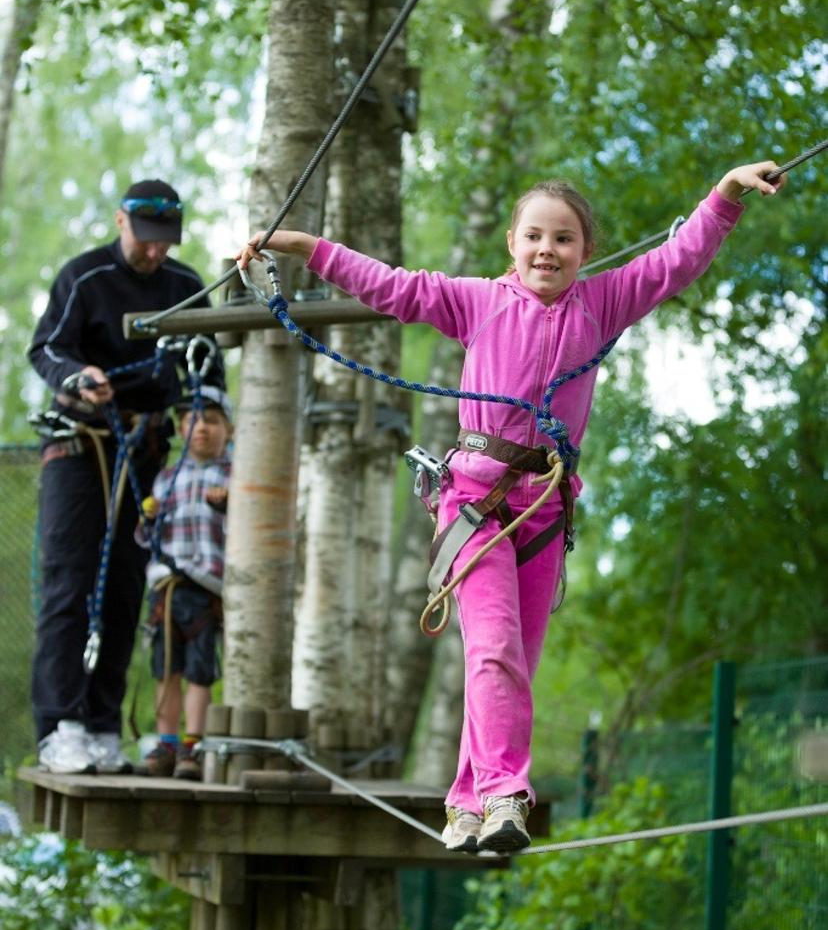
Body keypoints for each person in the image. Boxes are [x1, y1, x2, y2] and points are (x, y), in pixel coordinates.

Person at [238, 160, 785, 854]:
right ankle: (503, 793)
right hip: (475, 502)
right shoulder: (477, 301)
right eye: (534, 236)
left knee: (511, 664)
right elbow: (390, 285)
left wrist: (726, 194)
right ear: (511, 243)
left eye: (563, 239)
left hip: (546, 510)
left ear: (585, 251)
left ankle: (468, 804)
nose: (546, 250)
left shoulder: (603, 303)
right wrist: (304, 246)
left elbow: (675, 262)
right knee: (493, 649)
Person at [29, 179, 223, 775]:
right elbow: (46, 349)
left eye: (166, 241)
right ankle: (59, 726)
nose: (156, 251)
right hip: (81, 446)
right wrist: (79, 376)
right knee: (70, 583)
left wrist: (206, 423)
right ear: (121, 223)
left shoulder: (186, 286)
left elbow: (207, 369)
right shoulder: (83, 278)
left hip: (146, 452)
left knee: (125, 589)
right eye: (146, 240)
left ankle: (102, 726)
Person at [137, 386, 233, 781]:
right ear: (181, 428)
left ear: (229, 429)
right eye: (193, 420)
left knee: (198, 668)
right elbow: (146, 539)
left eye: (211, 421)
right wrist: (149, 518)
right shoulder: (167, 479)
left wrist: (228, 504)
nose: (201, 428)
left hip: (205, 586)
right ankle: (167, 744)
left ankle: (192, 745)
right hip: (167, 586)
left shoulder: (235, 476)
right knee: (165, 667)